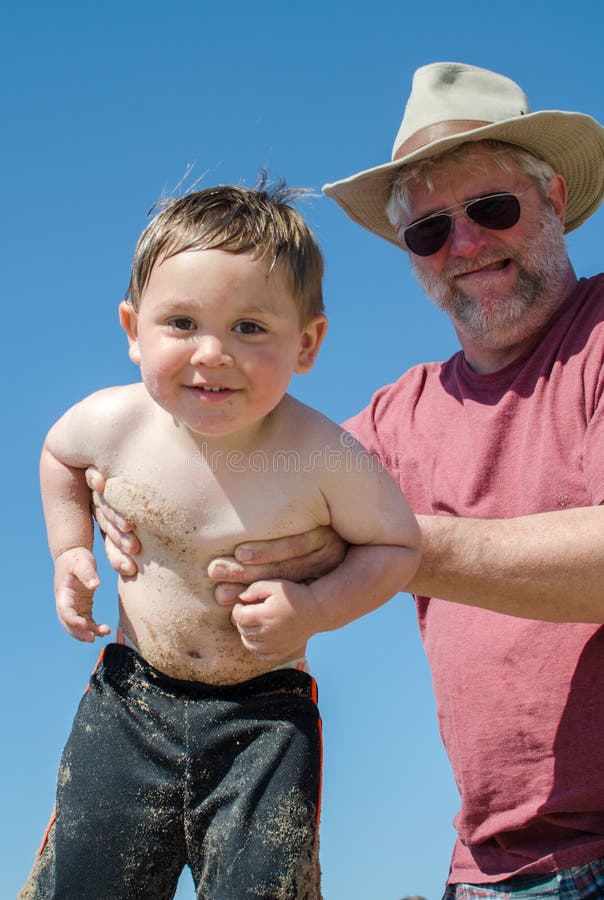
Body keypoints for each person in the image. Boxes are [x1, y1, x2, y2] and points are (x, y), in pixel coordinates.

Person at [92, 62, 604, 897]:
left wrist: (397, 547)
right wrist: (128, 501)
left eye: (492, 208)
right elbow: (245, 500)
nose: (465, 243)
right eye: (429, 230)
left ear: (551, 195)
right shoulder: (398, 418)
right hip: (489, 871)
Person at [21, 181, 421, 900]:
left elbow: (397, 547)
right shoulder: (113, 424)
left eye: (249, 328)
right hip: (129, 701)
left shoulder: (320, 456)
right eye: (180, 322)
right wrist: (69, 550)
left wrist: (316, 607)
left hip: (262, 717)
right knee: (88, 882)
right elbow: (59, 457)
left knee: (261, 886)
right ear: (131, 329)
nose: (212, 353)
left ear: (307, 342)